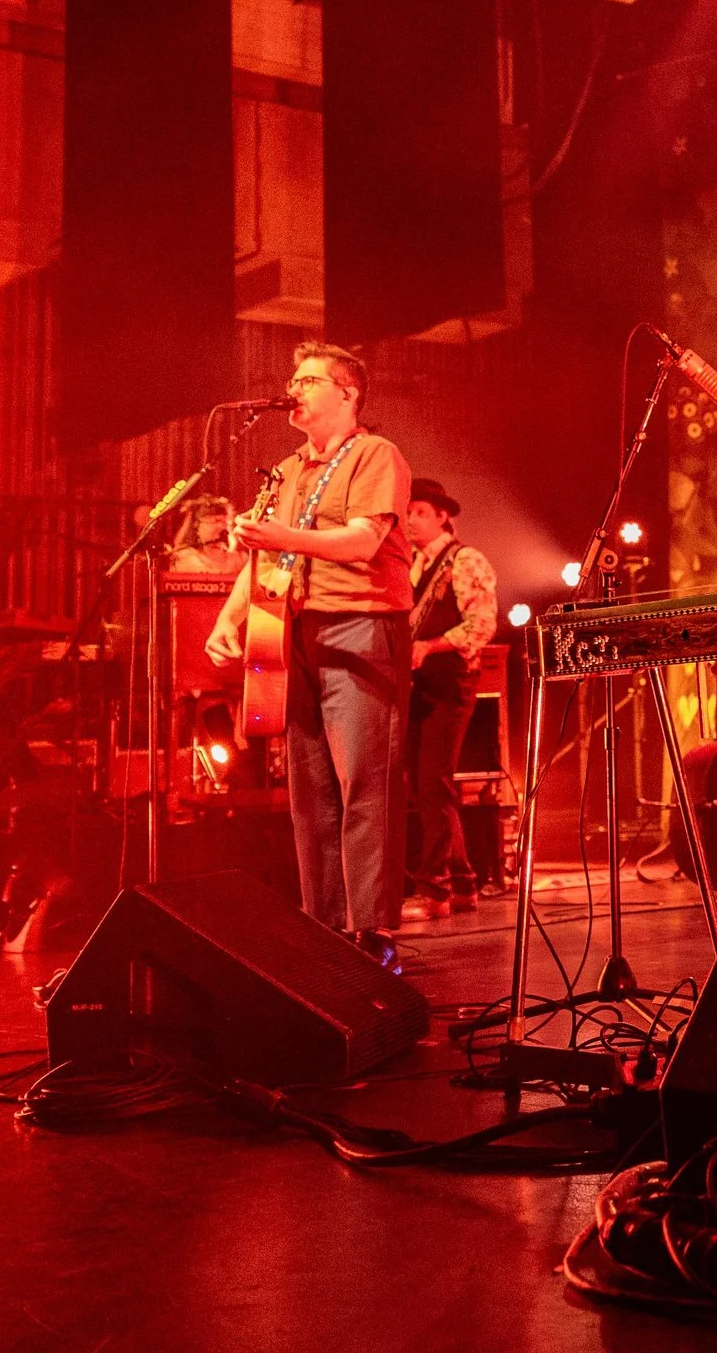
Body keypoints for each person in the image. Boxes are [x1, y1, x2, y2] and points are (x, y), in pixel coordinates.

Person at [206, 341, 414, 967]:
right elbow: (266, 553)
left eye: (308, 379)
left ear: (347, 392)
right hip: (294, 631)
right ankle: (323, 926)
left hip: (361, 627)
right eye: (292, 379)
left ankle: (371, 929)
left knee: (364, 783)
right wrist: (229, 617)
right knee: (311, 788)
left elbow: (361, 542)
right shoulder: (288, 467)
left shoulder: (376, 454)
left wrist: (283, 536)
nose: (293, 388)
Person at [401, 477, 498, 917]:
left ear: (443, 517)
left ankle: (435, 888)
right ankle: (461, 883)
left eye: (420, 512)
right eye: (407, 512)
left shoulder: (465, 559)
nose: (411, 520)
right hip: (419, 686)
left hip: (451, 683)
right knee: (427, 786)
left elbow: (481, 624)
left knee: (432, 782)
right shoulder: (410, 563)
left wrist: (430, 647)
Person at [169, 495, 244, 575]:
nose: (223, 527)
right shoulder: (184, 558)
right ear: (196, 526)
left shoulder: (239, 561)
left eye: (225, 522)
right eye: (216, 521)